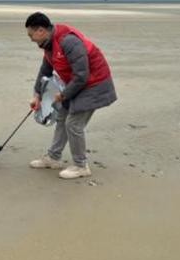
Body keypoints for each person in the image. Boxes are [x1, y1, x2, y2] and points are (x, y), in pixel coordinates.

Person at [25, 12, 117, 179]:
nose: (30, 39)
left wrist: (64, 95)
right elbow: (44, 71)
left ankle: (81, 166)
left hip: (95, 84)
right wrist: (37, 95)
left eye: (31, 35)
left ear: (41, 30)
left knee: (73, 124)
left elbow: (82, 75)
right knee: (62, 116)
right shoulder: (48, 44)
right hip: (78, 84)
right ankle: (54, 158)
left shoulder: (69, 41)